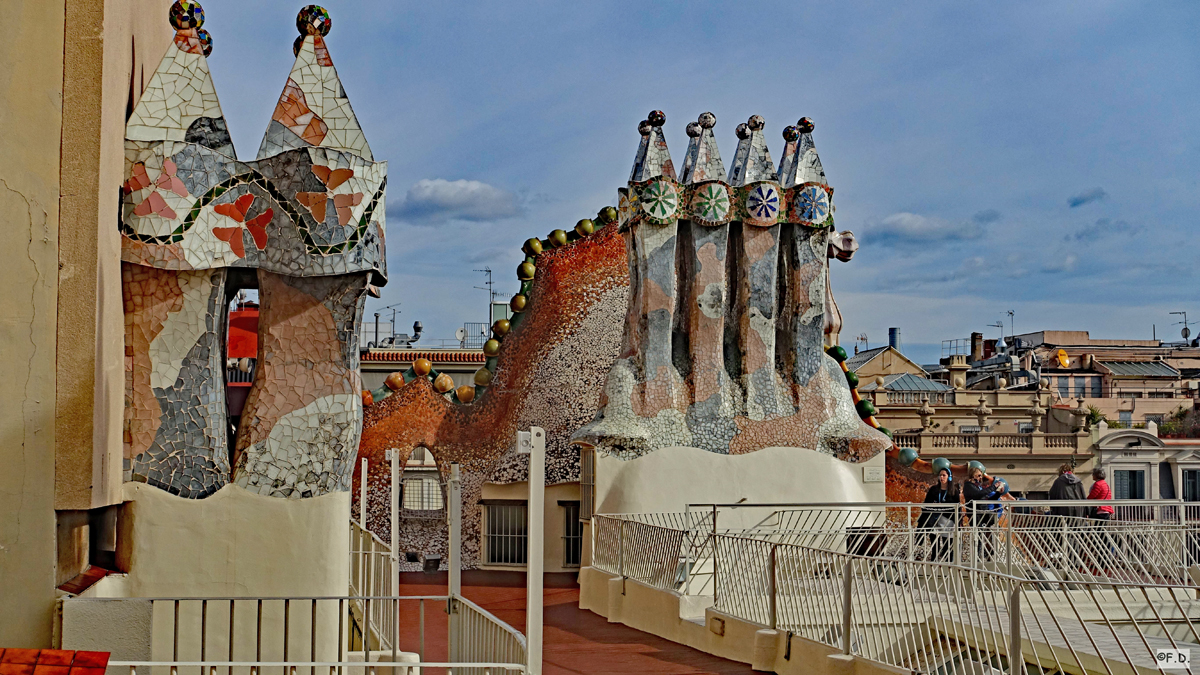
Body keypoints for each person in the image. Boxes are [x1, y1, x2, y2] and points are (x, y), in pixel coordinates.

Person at [962, 466, 1008, 561]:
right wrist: (993, 487)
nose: (980, 477)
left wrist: (998, 493)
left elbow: (987, 498)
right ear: (973, 475)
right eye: (979, 475)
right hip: (976, 515)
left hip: (984, 514)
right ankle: (977, 559)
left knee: (986, 536)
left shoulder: (977, 486)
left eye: (981, 476)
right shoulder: (968, 486)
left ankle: (987, 557)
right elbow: (979, 494)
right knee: (978, 538)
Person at [919, 468, 960, 561]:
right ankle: (934, 562)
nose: (941, 477)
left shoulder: (954, 490)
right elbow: (926, 503)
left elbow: (956, 506)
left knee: (947, 545)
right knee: (934, 544)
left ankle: (948, 564)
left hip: (948, 520)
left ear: (949, 477)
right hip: (934, 519)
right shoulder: (933, 489)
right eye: (940, 475)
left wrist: (958, 521)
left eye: (944, 475)